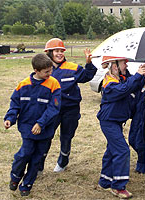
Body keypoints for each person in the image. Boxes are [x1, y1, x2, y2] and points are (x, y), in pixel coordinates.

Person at [4, 54, 61, 196]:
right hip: (27, 129)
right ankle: (15, 177)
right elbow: (15, 104)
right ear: (36, 70)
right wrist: (10, 118)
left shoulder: (54, 84)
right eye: (46, 72)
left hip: (45, 130)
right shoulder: (23, 85)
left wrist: (41, 123)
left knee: (37, 159)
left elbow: (54, 108)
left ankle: (27, 184)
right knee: (24, 154)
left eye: (51, 70)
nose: (50, 74)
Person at [41, 38, 97, 173]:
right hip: (51, 110)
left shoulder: (72, 68)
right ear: (49, 53)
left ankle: (63, 161)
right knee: (45, 137)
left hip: (70, 110)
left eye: (61, 51)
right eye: (56, 51)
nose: (60, 54)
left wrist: (89, 64)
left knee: (66, 137)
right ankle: (38, 165)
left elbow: (87, 76)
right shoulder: (44, 70)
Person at [97, 56, 145, 199]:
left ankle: (105, 181)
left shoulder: (122, 77)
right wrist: (137, 75)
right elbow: (124, 89)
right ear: (114, 66)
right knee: (122, 150)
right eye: (123, 62)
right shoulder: (109, 83)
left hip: (116, 121)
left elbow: (134, 84)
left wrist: (143, 73)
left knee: (112, 150)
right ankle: (118, 186)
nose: (127, 64)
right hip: (109, 121)